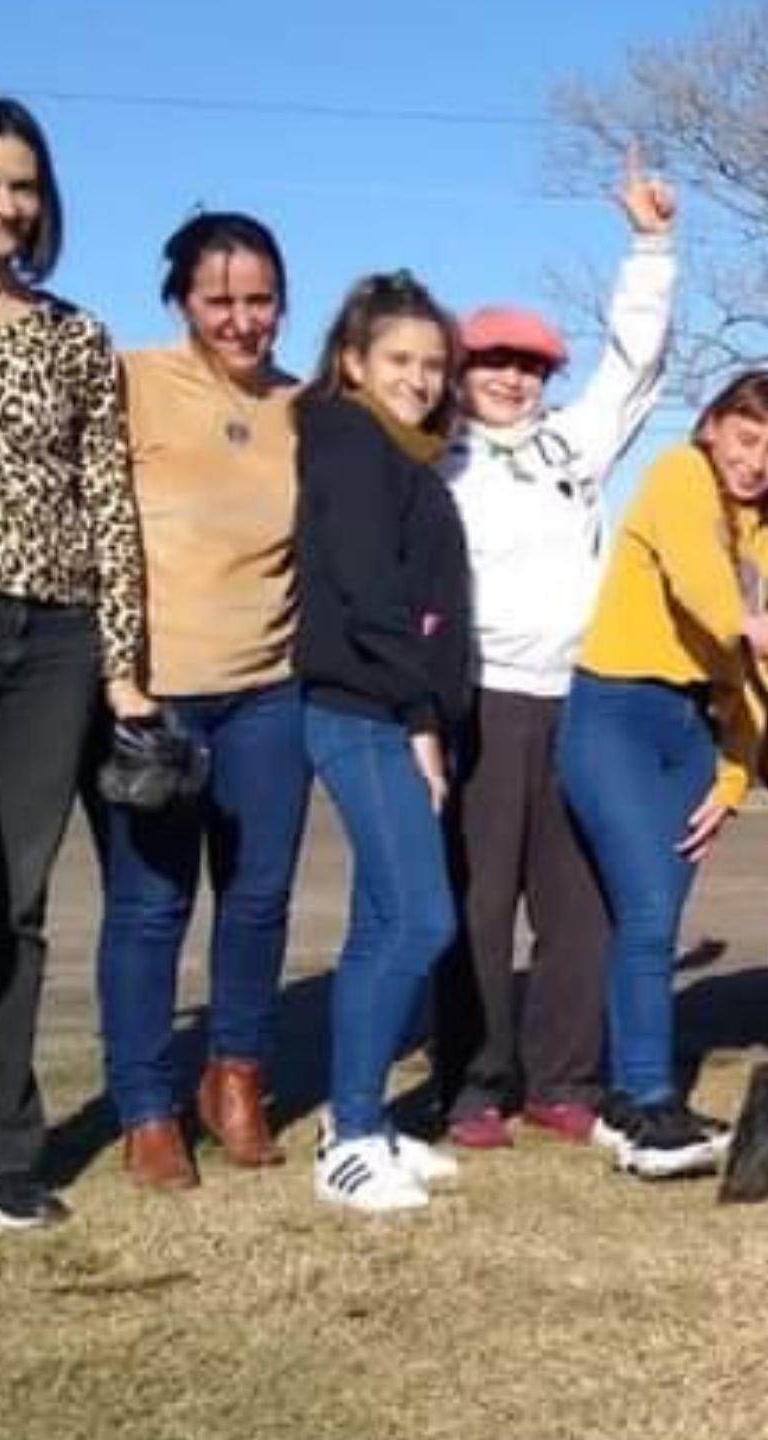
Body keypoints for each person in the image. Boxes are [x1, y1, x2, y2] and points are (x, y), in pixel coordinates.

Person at [0, 90, 152, 1255]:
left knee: (17, 907)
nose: (4, 205)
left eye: (22, 186)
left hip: (55, 641)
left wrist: (125, 669)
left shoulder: (75, 336)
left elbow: (109, 505)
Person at [434, 149, 677, 1152]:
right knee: (478, 905)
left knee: (579, 904)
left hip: (576, 697)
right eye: (491, 360)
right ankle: (475, 1085)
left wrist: (653, 244)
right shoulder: (432, 456)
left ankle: (564, 1078)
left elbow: (635, 368)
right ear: (460, 368)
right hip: (479, 701)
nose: (508, 378)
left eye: (527, 364)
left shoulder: (571, 446)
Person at [98, 212, 312, 1189]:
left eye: (258, 299)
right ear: (181, 300)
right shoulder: (131, 380)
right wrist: (123, 683)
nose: (240, 319)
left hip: (270, 691)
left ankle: (238, 1078)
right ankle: (148, 1107)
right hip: (158, 694)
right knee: (150, 907)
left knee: (258, 900)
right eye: (218, 299)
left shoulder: (304, 408)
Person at [559, 373, 768, 1180]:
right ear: (712, 426)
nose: (757, 460)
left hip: (693, 731)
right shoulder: (678, 475)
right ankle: (649, 1105)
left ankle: (630, 1095)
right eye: (746, 436)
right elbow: (699, 578)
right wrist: (745, 619)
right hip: (614, 711)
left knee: (651, 915)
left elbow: (753, 681)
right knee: (651, 910)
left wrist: (734, 775)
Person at [291, 271, 472, 1213]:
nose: (421, 378)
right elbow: (370, 595)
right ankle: (348, 1135)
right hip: (361, 710)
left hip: (389, 709)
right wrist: (420, 713)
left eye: (435, 365)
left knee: (381, 923)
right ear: (353, 362)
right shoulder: (353, 446)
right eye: (400, 360)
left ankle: (364, 1116)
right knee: (420, 920)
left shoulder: (403, 454)